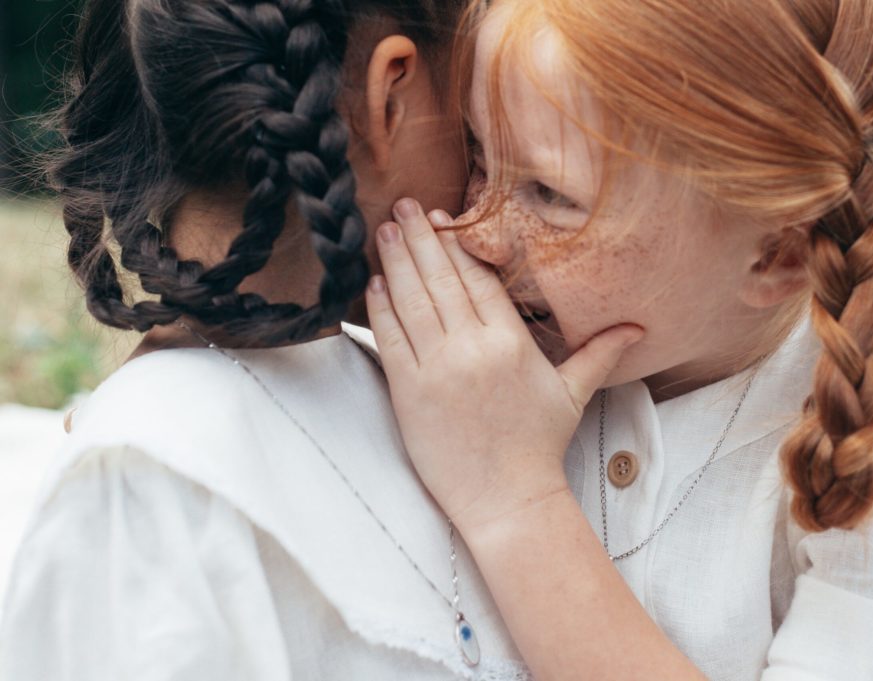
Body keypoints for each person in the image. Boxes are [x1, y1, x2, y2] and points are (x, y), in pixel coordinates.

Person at [364, 0, 873, 679]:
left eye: (550, 194)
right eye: (475, 151)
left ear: (777, 256)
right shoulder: (479, 353)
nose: (476, 230)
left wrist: (514, 497)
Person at [0, 0, 530, 678]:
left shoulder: (430, 386)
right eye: (479, 127)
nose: (493, 180)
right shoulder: (147, 486)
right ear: (390, 98)